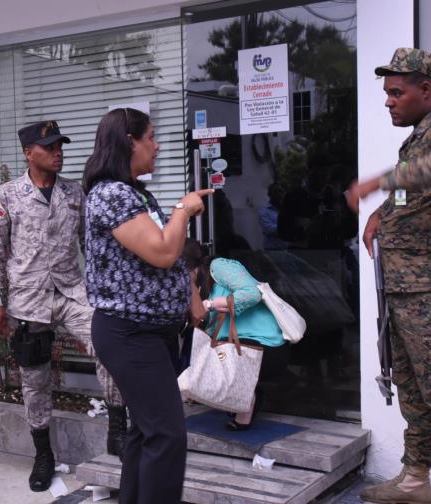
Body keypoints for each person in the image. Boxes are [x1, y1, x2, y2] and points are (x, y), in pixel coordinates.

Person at [345, 48, 431, 504]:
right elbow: (412, 196)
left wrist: (381, 181)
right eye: (386, 93)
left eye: (396, 92)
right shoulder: (418, 140)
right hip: (403, 289)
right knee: (412, 390)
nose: (388, 101)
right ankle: (415, 480)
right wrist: (382, 214)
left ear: (426, 89)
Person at [0, 120, 125, 492]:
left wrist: (103, 295)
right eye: (49, 147)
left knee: (109, 347)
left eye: (60, 145)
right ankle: (43, 454)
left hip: (71, 293)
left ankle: (118, 432)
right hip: (28, 300)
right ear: (29, 152)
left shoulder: (75, 194)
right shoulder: (7, 196)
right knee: (35, 378)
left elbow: (91, 249)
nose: (58, 152)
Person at [82, 107, 212, 504]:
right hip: (130, 333)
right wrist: (184, 209)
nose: (156, 146)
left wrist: (188, 299)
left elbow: (167, 261)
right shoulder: (111, 194)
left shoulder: (133, 191)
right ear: (128, 142)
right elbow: (161, 252)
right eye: (150, 137)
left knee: (146, 430)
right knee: (166, 434)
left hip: (149, 333)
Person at [181, 239, 288, 430]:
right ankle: (243, 396)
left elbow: (252, 293)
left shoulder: (219, 266)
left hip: (262, 343)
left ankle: (249, 397)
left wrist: (210, 304)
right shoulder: (194, 285)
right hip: (231, 343)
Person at [257, 183, 287, 250]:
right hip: (272, 250)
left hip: (288, 249)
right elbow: (268, 229)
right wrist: (287, 228)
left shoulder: (288, 209)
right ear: (269, 194)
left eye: (281, 191)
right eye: (276, 191)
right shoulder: (263, 210)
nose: (279, 194)